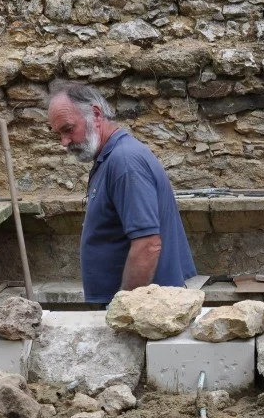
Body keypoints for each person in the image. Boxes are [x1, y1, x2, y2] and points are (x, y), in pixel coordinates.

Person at [46, 81, 196, 305]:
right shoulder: (110, 157)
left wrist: (123, 309)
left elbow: (148, 245)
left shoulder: (124, 161)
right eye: (59, 134)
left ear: (96, 114)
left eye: (68, 129)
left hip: (144, 309)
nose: (64, 142)